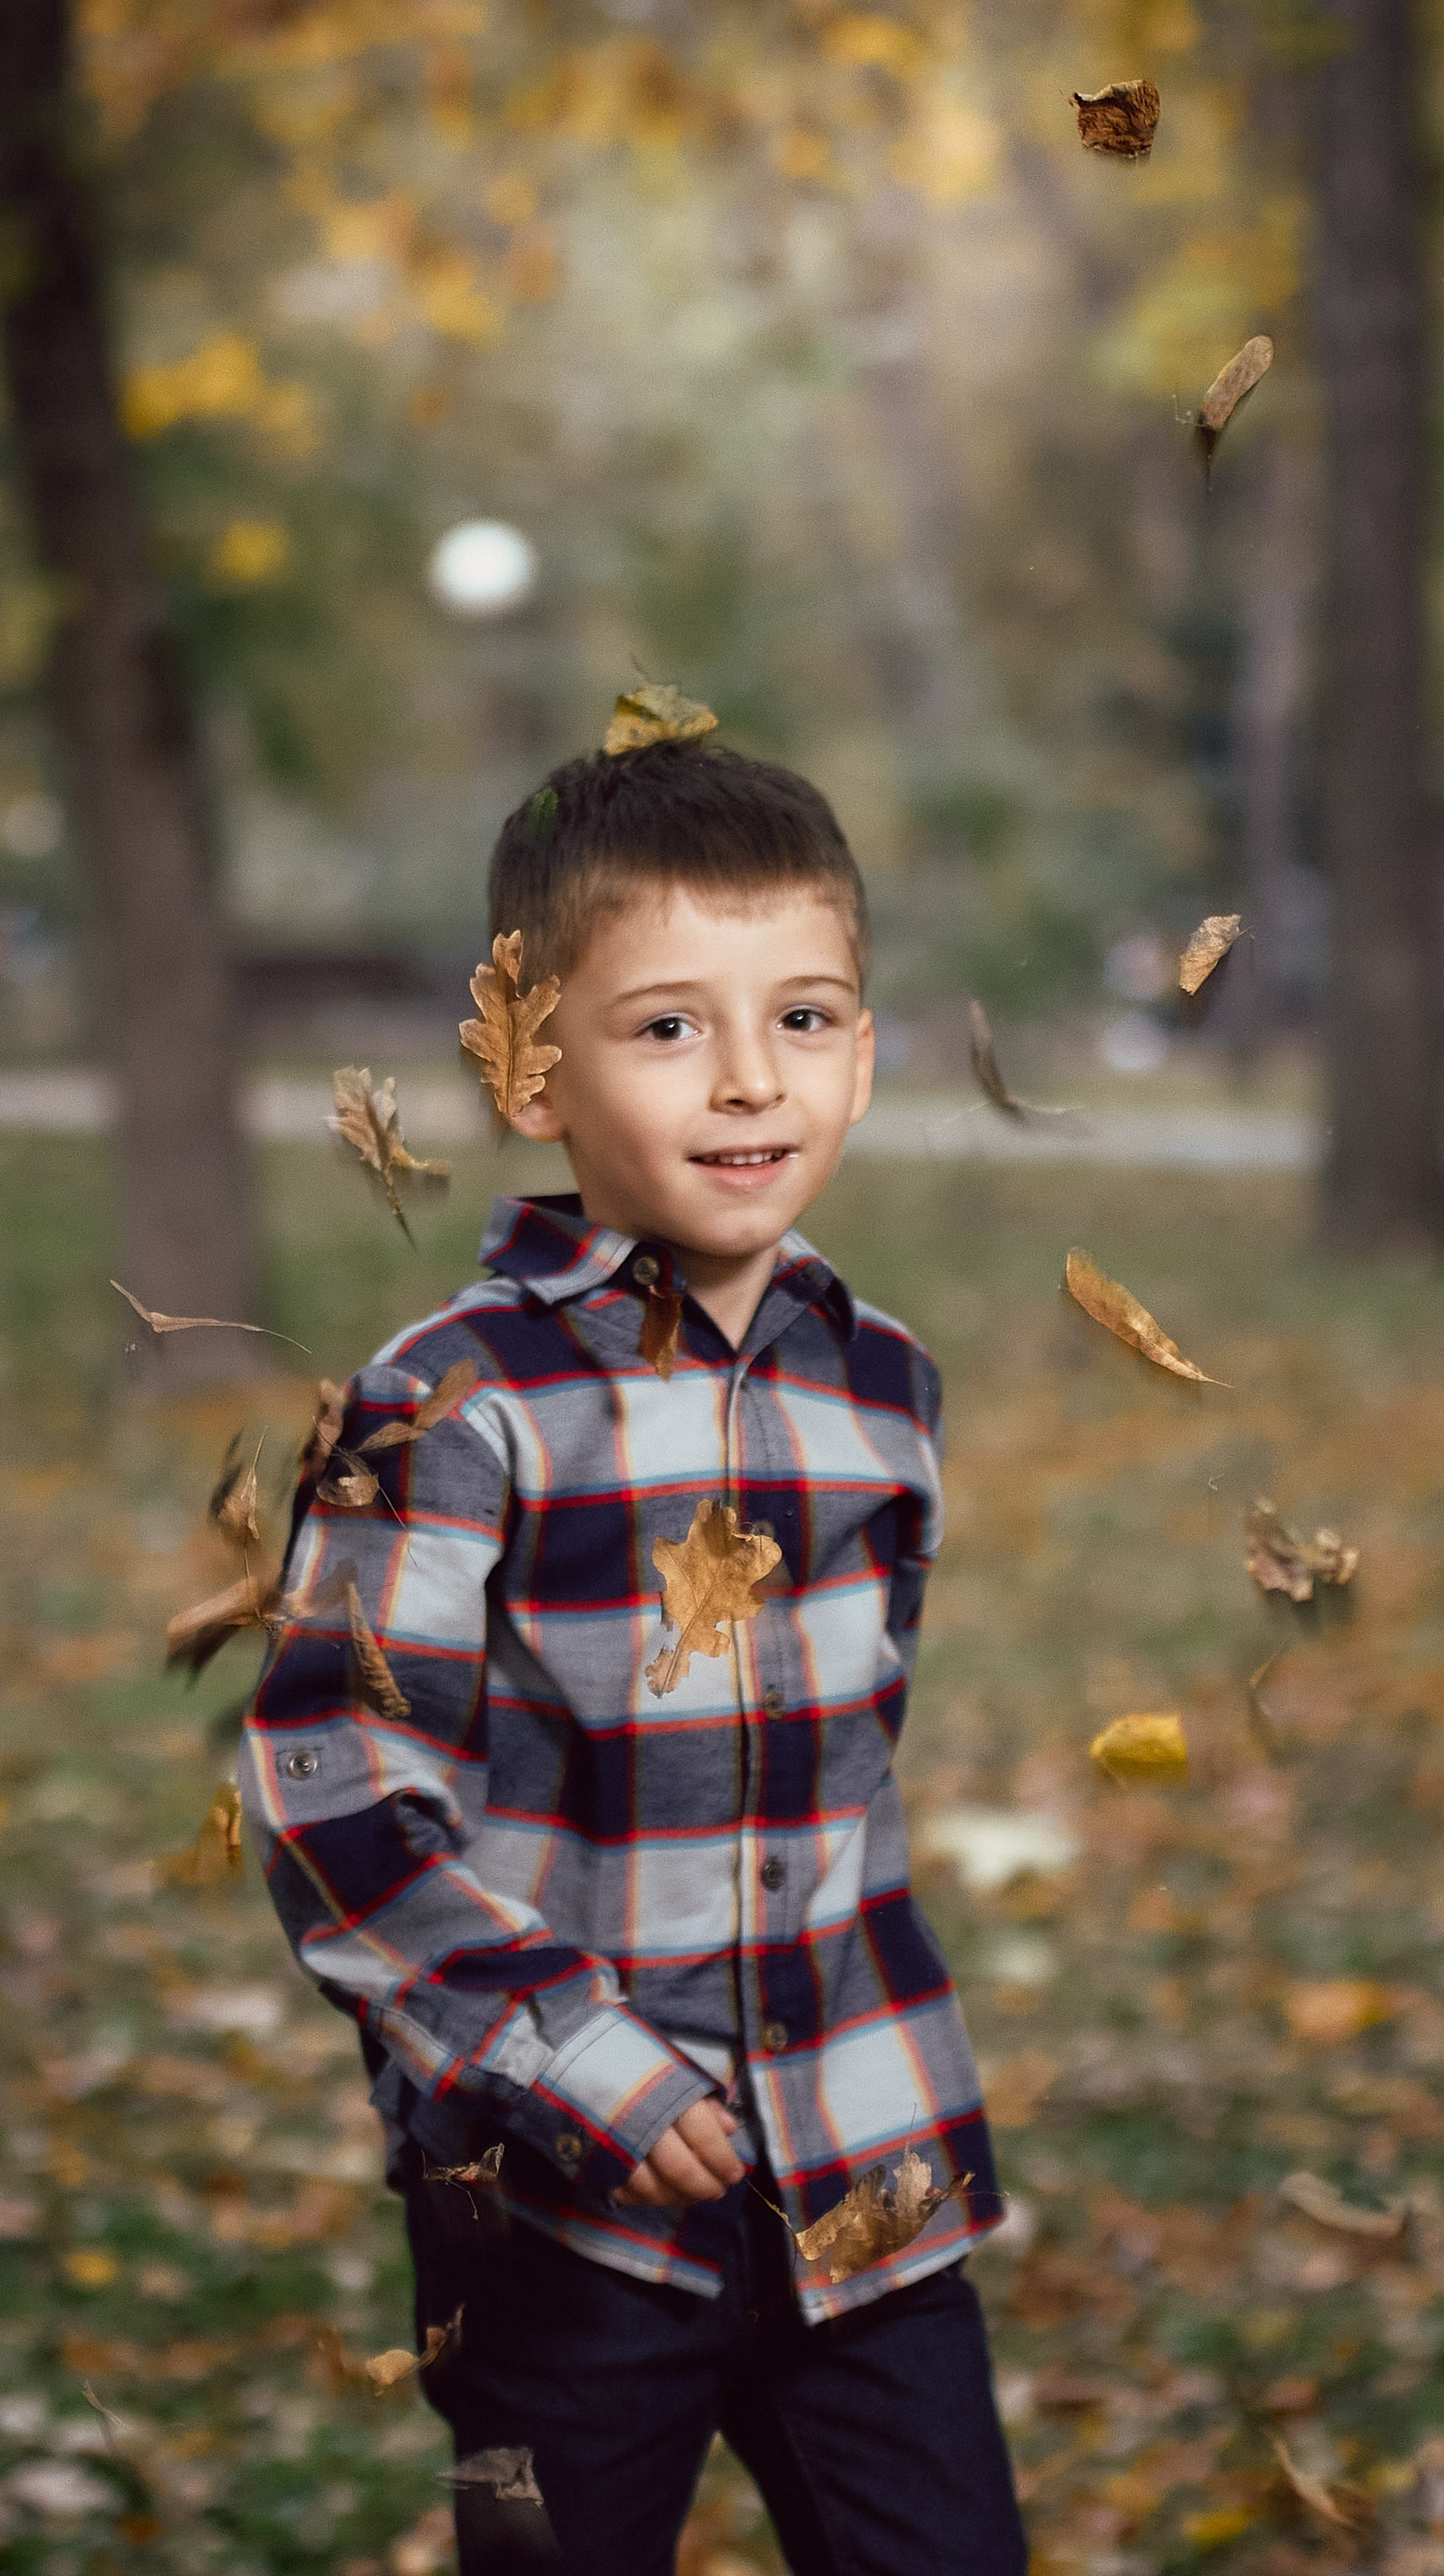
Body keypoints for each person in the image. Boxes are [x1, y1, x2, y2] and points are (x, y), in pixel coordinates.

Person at [241, 725, 1026, 2576]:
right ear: (531, 1069)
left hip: (862, 2152)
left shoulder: (888, 1388)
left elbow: (844, 1765)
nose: (752, 1081)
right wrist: (577, 2061)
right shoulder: (443, 1404)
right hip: (561, 2208)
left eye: (808, 1017)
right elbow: (336, 1796)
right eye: (669, 1026)